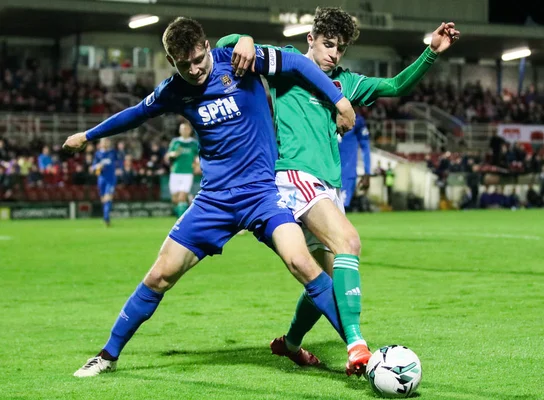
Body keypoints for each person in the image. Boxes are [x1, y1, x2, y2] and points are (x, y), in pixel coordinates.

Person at [63, 16, 356, 378]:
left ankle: (360, 350)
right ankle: (107, 355)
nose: (194, 69)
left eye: (198, 59)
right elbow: (136, 114)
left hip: (261, 194)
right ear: (172, 62)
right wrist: (87, 136)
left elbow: (295, 62)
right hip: (214, 200)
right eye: (183, 65)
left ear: (205, 46)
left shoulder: (237, 59)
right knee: (159, 276)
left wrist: (340, 100)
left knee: (303, 264)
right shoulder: (175, 89)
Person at [217, 6, 459, 375]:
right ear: (310, 40)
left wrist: (431, 51)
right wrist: (245, 39)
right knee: (350, 242)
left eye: (340, 48)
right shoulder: (289, 64)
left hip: (328, 188)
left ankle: (291, 344)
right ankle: (358, 346)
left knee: (327, 283)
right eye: (327, 44)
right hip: (295, 177)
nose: (333, 53)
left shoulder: (347, 83)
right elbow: (224, 45)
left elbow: (395, 86)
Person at [164, 120, 200, 217]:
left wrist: (197, 165)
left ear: (190, 130)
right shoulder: (176, 142)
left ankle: (181, 219)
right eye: (183, 128)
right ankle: (178, 214)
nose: (185, 130)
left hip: (187, 172)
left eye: (186, 128)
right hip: (175, 172)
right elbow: (167, 156)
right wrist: (173, 154)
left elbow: (198, 156)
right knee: (175, 199)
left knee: (182, 196)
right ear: (180, 130)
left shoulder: (193, 143)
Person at [339, 109, 371, 211]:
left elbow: (365, 146)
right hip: (322, 173)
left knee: (340, 211)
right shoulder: (324, 114)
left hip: (346, 175)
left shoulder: (357, 121)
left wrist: (367, 172)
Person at [92, 138, 119, 226]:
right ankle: (106, 217)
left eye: (107, 142)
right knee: (103, 199)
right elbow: (93, 167)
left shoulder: (112, 152)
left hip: (110, 179)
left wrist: (119, 168)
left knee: (108, 198)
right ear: (100, 143)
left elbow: (119, 162)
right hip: (101, 179)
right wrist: (98, 166)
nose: (105, 143)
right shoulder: (98, 154)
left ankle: (106, 218)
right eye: (103, 142)